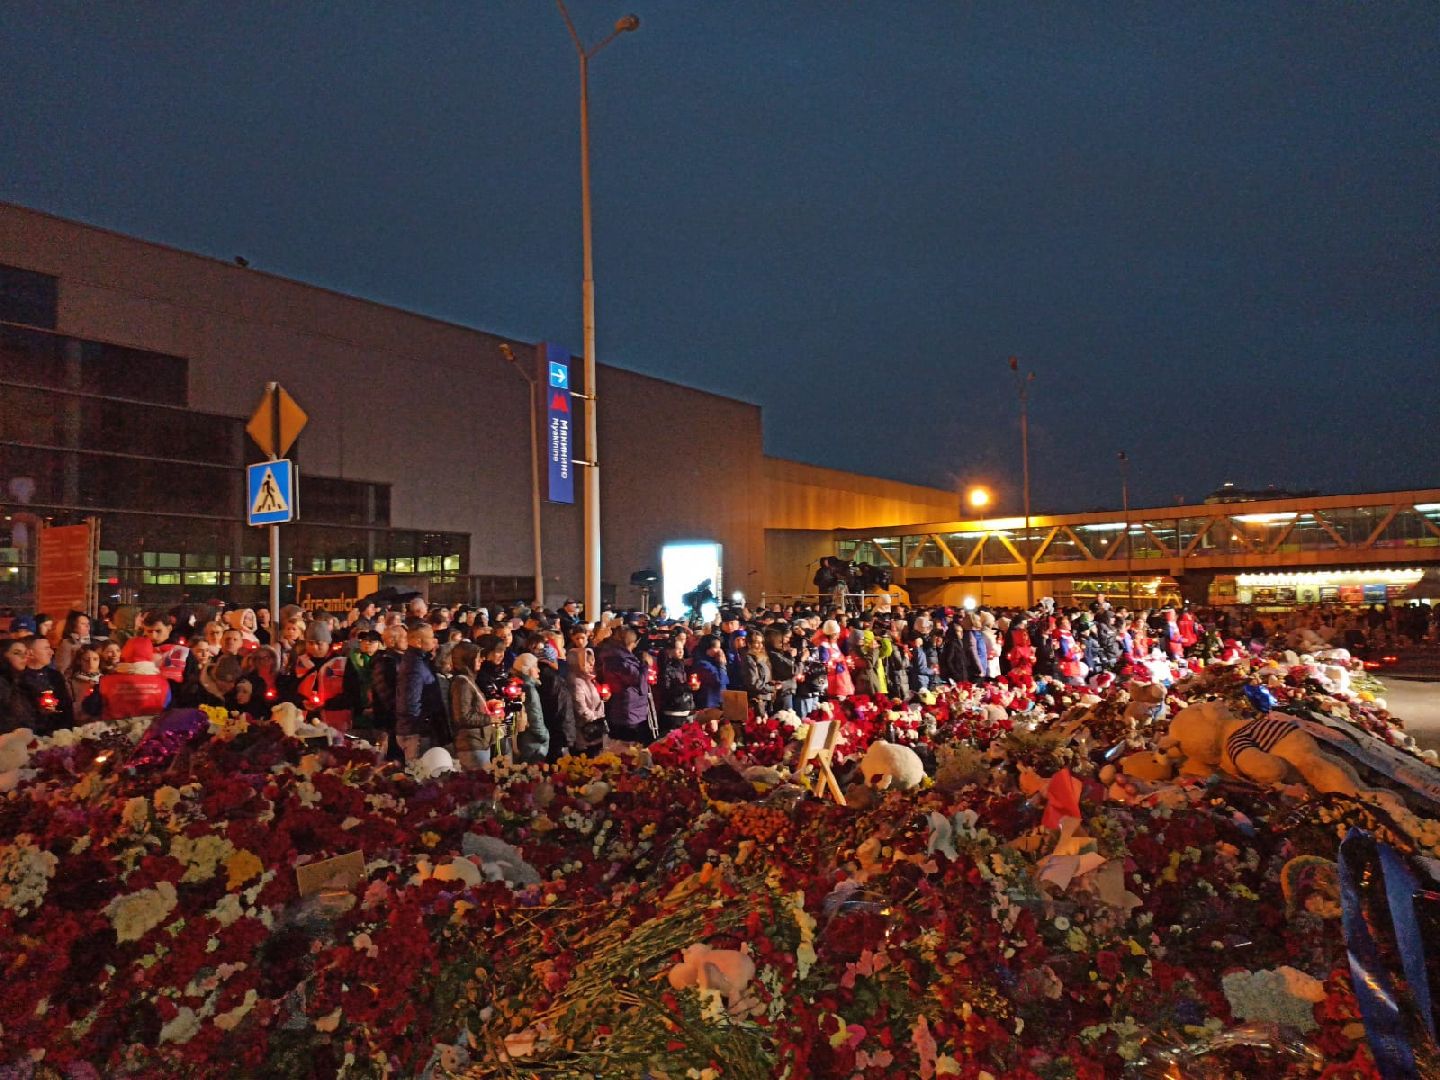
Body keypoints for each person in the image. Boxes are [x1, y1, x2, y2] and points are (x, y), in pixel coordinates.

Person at [396, 623, 446, 762]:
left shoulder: (419, 661)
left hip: (418, 728)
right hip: (416, 731)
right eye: (430, 637)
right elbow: (410, 700)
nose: (434, 641)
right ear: (418, 641)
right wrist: (422, 725)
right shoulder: (414, 665)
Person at [596, 624, 651, 743]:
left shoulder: (616, 656)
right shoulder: (620, 660)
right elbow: (638, 681)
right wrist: (646, 664)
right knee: (628, 748)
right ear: (631, 643)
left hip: (628, 707)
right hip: (628, 710)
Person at [447, 641, 492, 770]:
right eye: (477, 657)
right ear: (468, 660)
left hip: (479, 742)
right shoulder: (462, 683)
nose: (481, 660)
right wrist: (490, 718)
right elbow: (463, 716)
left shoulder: (469, 680)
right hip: (471, 745)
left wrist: (487, 705)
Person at [561, 646, 606, 755]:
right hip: (585, 734)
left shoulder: (588, 679)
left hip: (594, 729)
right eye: (587, 662)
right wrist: (596, 716)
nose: (591, 665)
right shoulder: (576, 682)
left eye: (592, 662)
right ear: (577, 663)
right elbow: (581, 709)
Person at [23, 634, 72, 734]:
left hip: (58, 732)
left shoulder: (54, 675)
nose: (51, 652)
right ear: (30, 653)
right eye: (46, 648)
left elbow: (67, 706)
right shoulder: (19, 678)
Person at [655, 633, 695, 735]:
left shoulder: (680, 666)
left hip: (684, 709)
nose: (681, 651)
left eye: (682, 648)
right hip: (673, 712)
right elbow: (666, 690)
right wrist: (686, 687)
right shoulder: (666, 669)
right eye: (678, 649)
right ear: (670, 651)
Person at [512, 652, 548, 763]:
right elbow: (535, 715)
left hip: (523, 740)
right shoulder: (529, 689)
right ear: (526, 670)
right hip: (533, 742)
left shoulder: (518, 685)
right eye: (535, 667)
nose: (539, 670)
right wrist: (544, 736)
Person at [1, 638, 41, 732]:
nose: (24, 657)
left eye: (25, 653)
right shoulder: (3, 684)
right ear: (2, 655)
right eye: (17, 653)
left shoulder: (21, 682)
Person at [738, 632, 775, 718]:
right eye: (757, 642)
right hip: (756, 699)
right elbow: (753, 682)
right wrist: (771, 688)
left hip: (766, 697)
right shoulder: (749, 658)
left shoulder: (762, 657)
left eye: (761, 642)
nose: (760, 645)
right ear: (749, 644)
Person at [689, 634, 729, 711]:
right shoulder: (702, 663)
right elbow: (720, 681)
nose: (719, 651)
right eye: (716, 648)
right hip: (709, 703)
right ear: (708, 648)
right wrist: (721, 664)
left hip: (719, 701)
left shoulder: (713, 661)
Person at [65, 644, 102, 722]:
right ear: (79, 661)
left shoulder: (105, 680)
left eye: (95, 659)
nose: (91, 663)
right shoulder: (71, 682)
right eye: (86, 660)